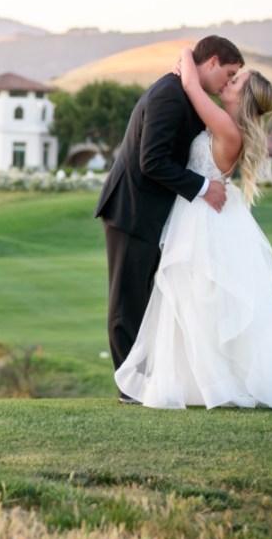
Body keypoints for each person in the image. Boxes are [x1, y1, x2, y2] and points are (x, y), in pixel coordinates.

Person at [113, 47, 272, 411]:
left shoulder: (224, 125)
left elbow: (190, 84)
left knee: (192, 298)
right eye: (231, 75)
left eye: (235, 81)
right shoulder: (225, 125)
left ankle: (206, 382)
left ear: (243, 97)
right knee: (194, 300)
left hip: (201, 219)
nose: (228, 82)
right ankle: (198, 381)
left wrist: (187, 54)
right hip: (201, 213)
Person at [95, 35, 244, 402]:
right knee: (127, 304)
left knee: (147, 304)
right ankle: (129, 389)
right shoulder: (169, 95)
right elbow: (153, 160)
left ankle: (146, 383)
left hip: (154, 215)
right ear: (210, 62)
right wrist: (203, 187)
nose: (227, 81)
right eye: (228, 73)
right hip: (132, 210)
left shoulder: (187, 92)